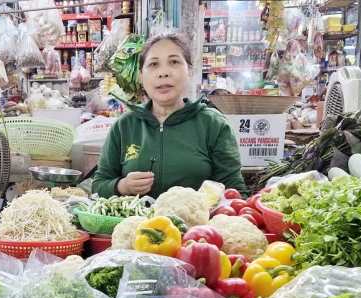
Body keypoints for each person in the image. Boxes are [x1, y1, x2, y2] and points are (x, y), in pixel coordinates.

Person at [92, 32, 246, 198]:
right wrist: (122, 186)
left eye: (174, 62)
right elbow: (99, 185)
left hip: (197, 224)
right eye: (153, 64)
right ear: (141, 76)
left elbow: (234, 191)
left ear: (190, 72)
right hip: (136, 224)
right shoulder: (125, 126)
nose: (163, 72)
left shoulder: (213, 124)